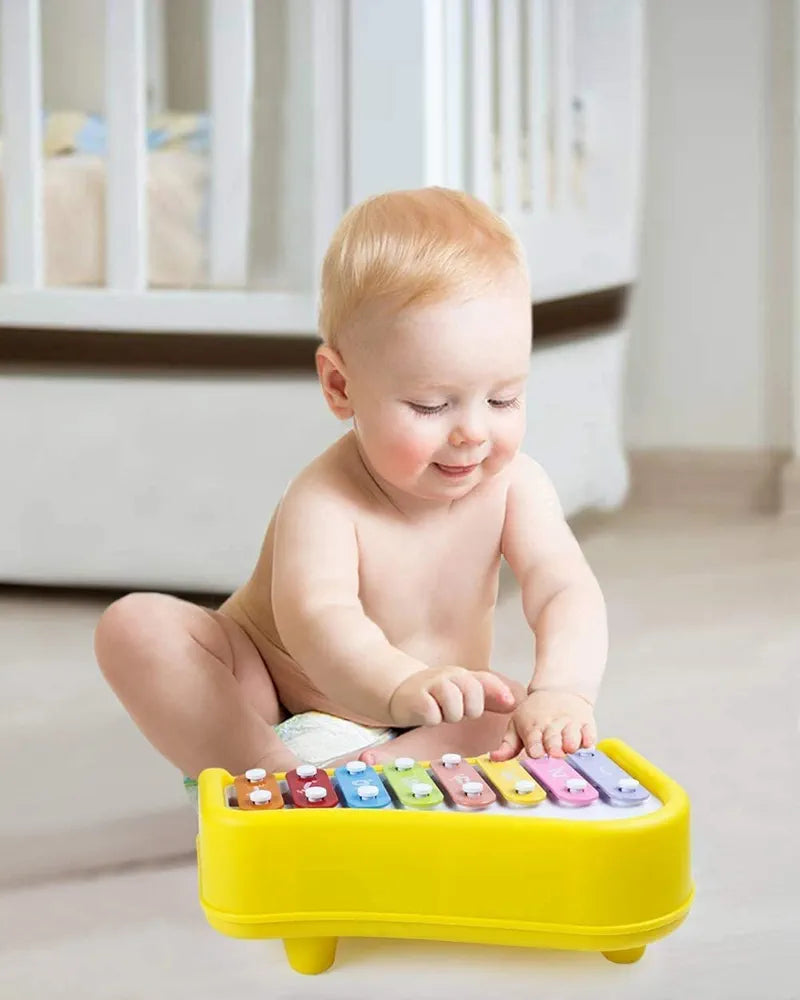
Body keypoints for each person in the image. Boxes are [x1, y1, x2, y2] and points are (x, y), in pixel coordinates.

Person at [94, 187, 608, 789]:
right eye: (431, 405)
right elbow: (320, 619)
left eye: (503, 399)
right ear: (341, 386)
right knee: (136, 626)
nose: (472, 432)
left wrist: (564, 691)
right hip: (277, 697)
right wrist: (397, 685)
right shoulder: (323, 497)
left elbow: (563, 589)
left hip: (434, 719)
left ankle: (373, 770)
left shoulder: (518, 486)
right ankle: (268, 774)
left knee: (511, 710)